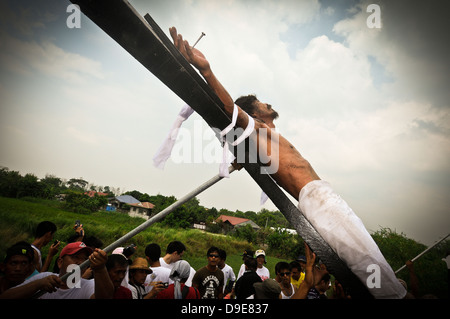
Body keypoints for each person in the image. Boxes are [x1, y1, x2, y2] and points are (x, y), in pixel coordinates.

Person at [170, 27, 406, 299]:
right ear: (255, 113)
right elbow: (230, 112)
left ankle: (390, 288)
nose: (269, 103)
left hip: (322, 197)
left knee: (366, 253)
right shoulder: (257, 129)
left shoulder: (267, 137)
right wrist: (206, 70)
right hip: (317, 199)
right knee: (363, 254)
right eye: (262, 102)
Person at [0, 242, 114, 299]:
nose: (81, 262)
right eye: (75, 257)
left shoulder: (88, 285)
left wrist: (100, 269)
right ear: (60, 262)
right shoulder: (43, 278)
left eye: (85, 259)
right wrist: (38, 284)